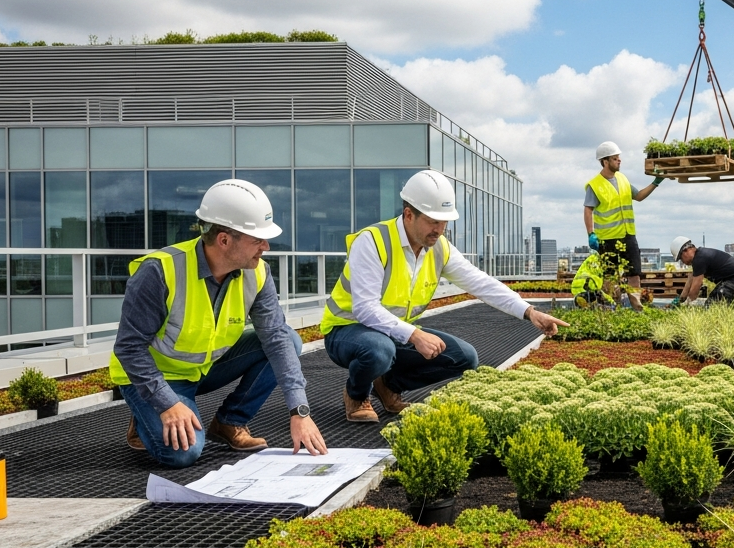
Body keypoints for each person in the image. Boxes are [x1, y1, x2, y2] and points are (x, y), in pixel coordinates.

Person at [321, 170, 569, 422]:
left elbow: (480, 282)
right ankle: (356, 394)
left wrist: (529, 311)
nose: (440, 230)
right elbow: (364, 308)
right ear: (409, 215)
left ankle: (388, 385)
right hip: (348, 329)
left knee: (464, 357)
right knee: (379, 350)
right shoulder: (373, 241)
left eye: (444, 223)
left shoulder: (438, 248)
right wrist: (415, 335)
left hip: (394, 332)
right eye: (433, 221)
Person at [112, 179, 327, 468]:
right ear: (224, 239)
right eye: (257, 239)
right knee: (182, 454)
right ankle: (144, 414)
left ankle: (229, 422)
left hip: (205, 367)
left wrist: (299, 411)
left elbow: (275, 337)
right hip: (157, 377)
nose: (266, 246)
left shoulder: (257, 272)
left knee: (288, 338)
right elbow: (129, 348)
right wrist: (166, 403)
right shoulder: (159, 271)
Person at [584, 141, 664, 311]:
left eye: (619, 158)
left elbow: (639, 196)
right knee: (610, 276)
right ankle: (612, 309)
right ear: (605, 161)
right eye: (615, 158)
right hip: (607, 239)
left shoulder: (623, 179)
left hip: (628, 235)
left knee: (634, 273)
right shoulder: (595, 185)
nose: (619, 161)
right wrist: (591, 233)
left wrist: (656, 183)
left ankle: (637, 309)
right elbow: (588, 210)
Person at [670, 236, 734, 305]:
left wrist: (687, 304)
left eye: (681, 258)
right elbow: (691, 278)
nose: (683, 262)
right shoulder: (701, 256)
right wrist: (680, 300)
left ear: (685, 251)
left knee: (711, 305)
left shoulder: (699, 258)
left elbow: (697, 285)